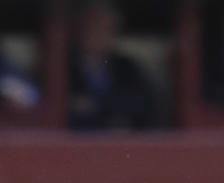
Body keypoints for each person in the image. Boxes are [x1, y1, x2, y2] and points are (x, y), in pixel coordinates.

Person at [67, 1, 163, 130]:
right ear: (79, 28)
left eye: (106, 28)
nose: (98, 34)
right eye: (93, 26)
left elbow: (142, 103)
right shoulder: (63, 67)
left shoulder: (127, 68)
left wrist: (96, 105)